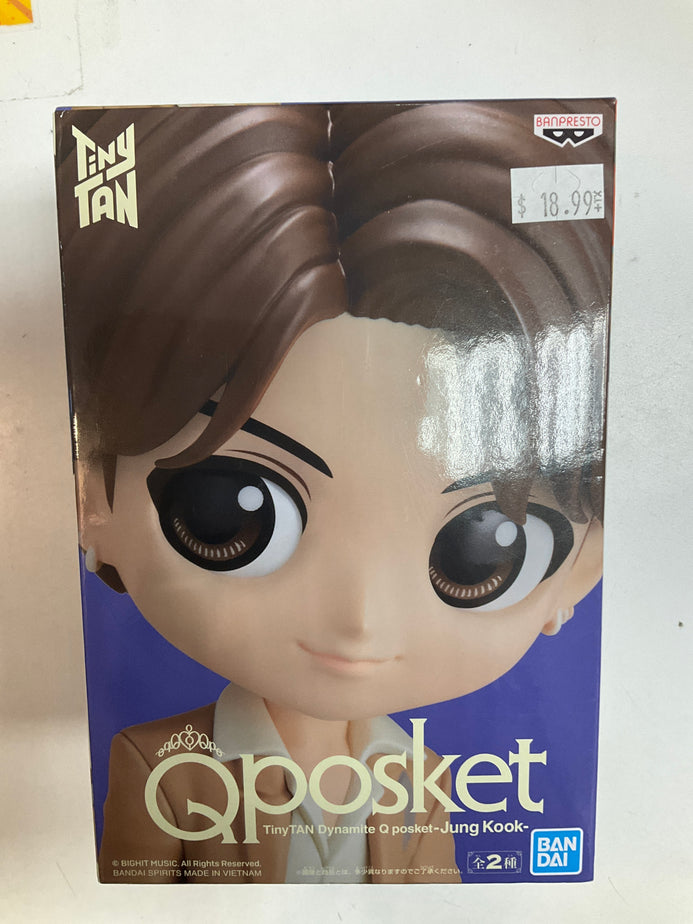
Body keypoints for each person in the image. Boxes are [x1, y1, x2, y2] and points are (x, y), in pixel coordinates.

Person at [56, 101, 613, 883]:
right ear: (93, 499)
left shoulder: (422, 782)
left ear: (582, 568)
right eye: (228, 515)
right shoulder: (162, 765)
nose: (359, 620)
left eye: (481, 551)